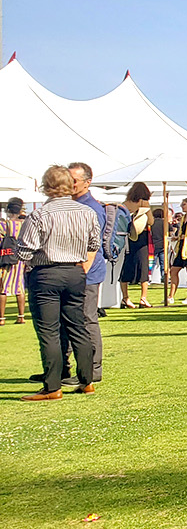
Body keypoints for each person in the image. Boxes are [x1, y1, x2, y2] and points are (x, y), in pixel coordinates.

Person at [19, 165, 100, 401]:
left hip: (46, 273)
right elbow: (94, 244)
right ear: (70, 185)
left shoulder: (39, 215)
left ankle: (53, 385)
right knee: (78, 326)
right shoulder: (86, 212)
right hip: (75, 272)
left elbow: (25, 250)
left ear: (45, 187)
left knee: (49, 331)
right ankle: (87, 381)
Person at [66, 163, 111, 383]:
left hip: (87, 272)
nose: (71, 184)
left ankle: (93, 370)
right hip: (69, 270)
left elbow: (92, 244)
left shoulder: (92, 208)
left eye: (75, 180)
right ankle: (62, 368)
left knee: (86, 319)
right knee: (65, 319)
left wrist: (82, 269)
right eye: (69, 179)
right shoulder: (69, 205)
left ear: (87, 181)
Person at [117, 182, 153, 308]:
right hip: (141, 238)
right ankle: (143, 298)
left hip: (127, 237)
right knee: (143, 267)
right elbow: (151, 222)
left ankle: (125, 298)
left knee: (126, 267)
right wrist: (146, 210)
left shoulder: (126, 204)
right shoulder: (144, 203)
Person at [1, 196, 25, 327]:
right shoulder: (24, 224)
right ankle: (21, 316)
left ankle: (1, 318)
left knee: (3, 288)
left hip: (6, 258)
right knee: (19, 288)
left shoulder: (4, 224)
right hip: (20, 259)